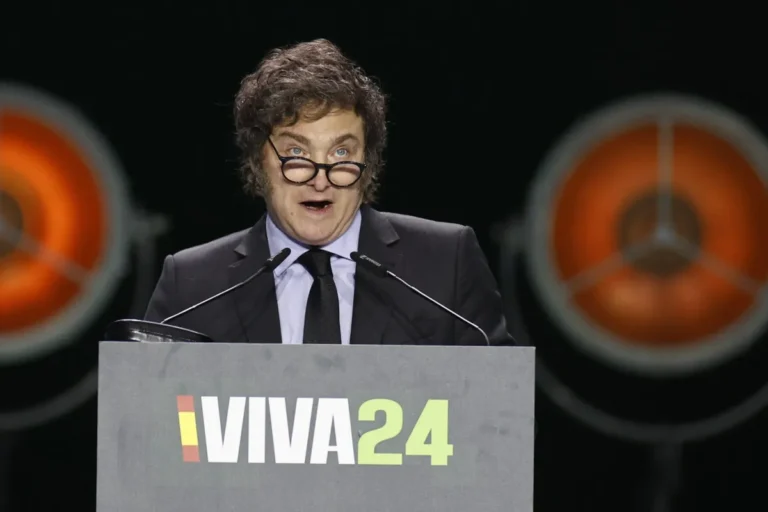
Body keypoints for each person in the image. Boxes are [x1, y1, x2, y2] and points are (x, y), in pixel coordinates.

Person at [144, 39, 513, 347]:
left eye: (341, 153)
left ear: (368, 163)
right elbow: (147, 407)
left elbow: (500, 401)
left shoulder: (446, 264)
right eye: (296, 153)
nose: (320, 180)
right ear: (258, 161)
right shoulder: (191, 287)